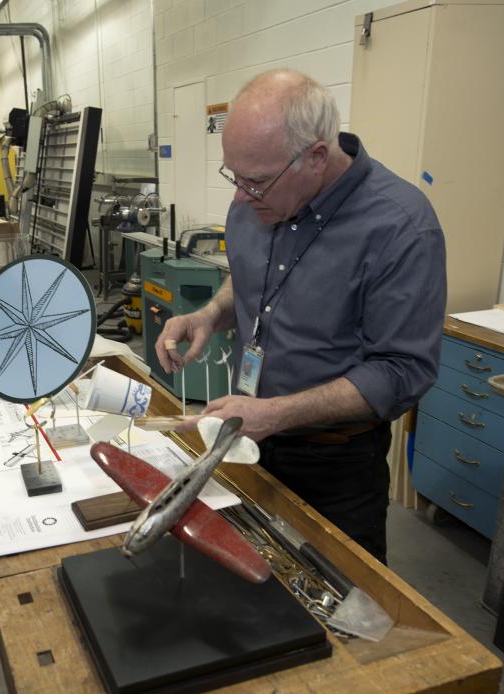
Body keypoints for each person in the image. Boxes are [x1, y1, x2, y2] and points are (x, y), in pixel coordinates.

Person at [156, 70, 446, 565]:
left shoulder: (400, 226)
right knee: (247, 585)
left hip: (335, 465)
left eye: (255, 182)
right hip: (246, 441)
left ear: (316, 156)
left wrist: (278, 413)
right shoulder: (258, 196)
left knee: (339, 607)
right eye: (234, 176)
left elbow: (402, 370)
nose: (240, 197)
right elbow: (251, 281)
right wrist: (211, 314)